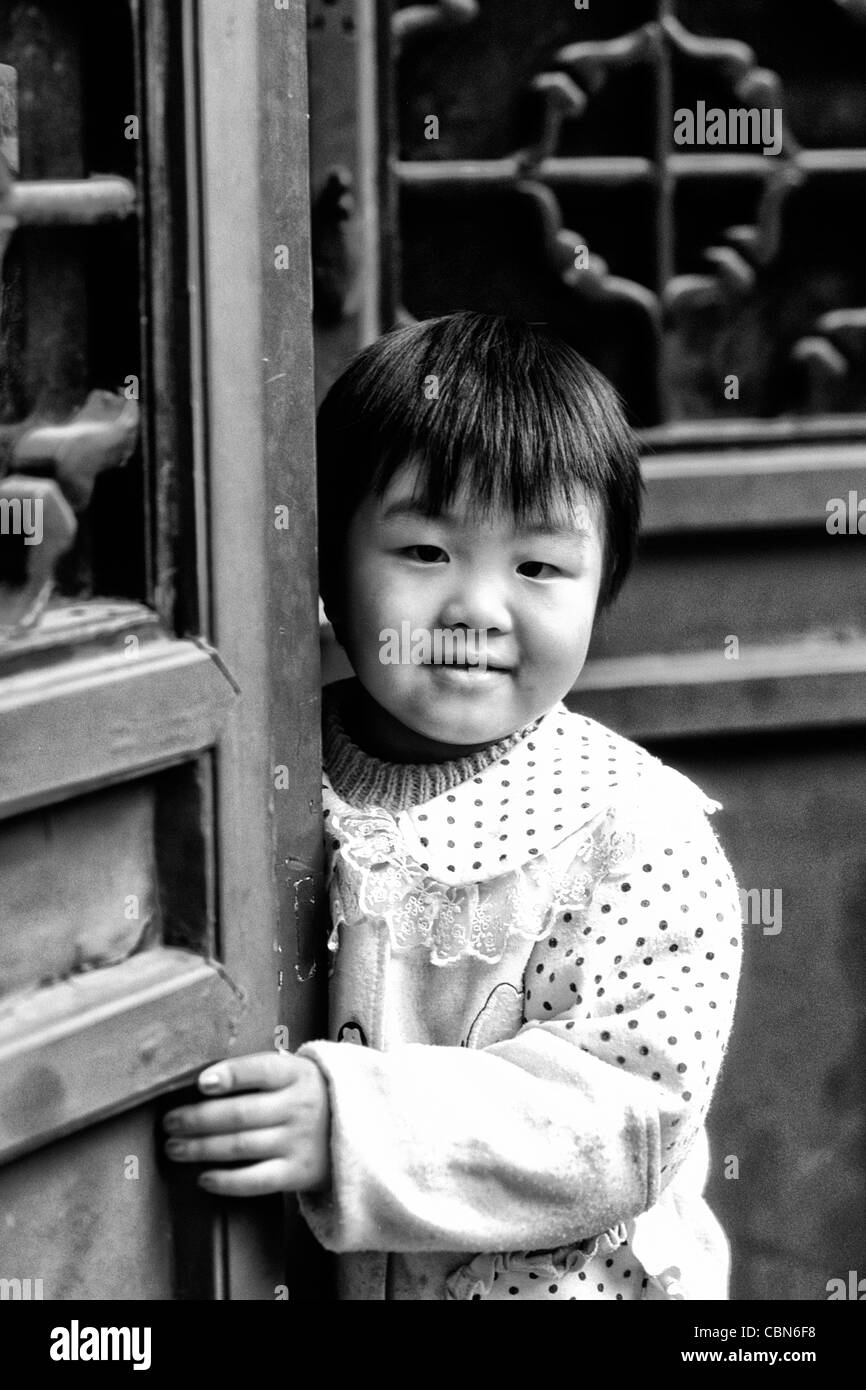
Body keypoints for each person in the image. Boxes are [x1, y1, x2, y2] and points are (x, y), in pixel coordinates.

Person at [164, 312, 742, 1301]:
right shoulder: (260, 766)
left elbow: (631, 1117)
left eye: (537, 567)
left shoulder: (633, 834)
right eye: (425, 551)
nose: (477, 606)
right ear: (322, 567)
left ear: (600, 588)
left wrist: (355, 1126)